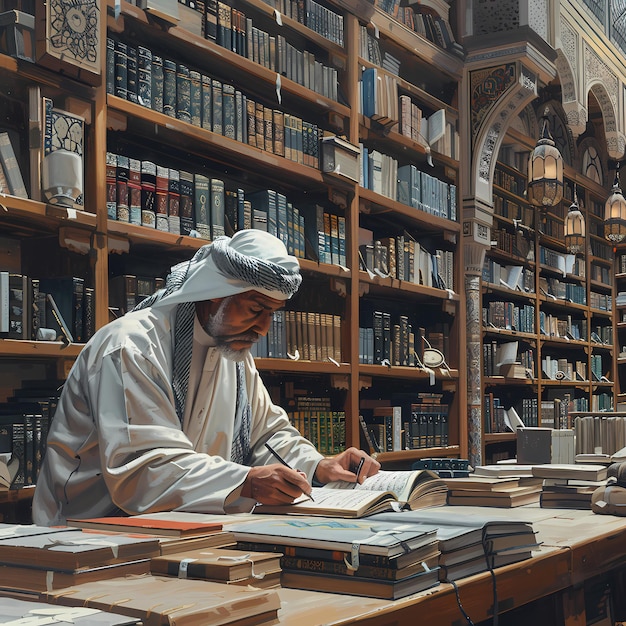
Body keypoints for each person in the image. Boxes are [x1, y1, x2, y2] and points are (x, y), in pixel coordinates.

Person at [32, 230, 380, 526]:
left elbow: (266, 434)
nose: (263, 327)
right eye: (256, 309)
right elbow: (144, 469)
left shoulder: (233, 349)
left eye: (271, 313)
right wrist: (245, 481)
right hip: (86, 532)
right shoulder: (132, 346)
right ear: (215, 292)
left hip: (182, 525)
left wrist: (320, 466)